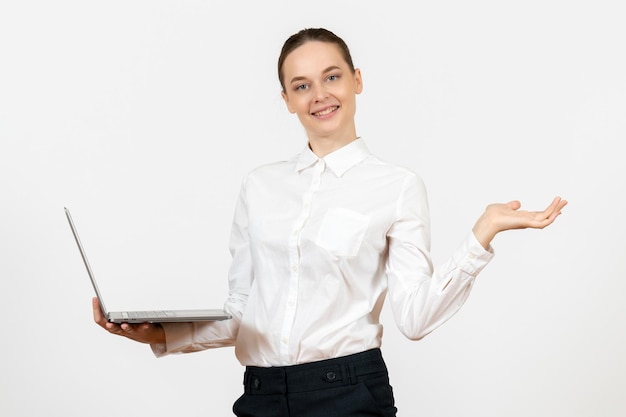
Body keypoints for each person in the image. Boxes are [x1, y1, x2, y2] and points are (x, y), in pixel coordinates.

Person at [92, 27, 567, 416]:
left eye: (332, 77)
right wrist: (158, 334)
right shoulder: (259, 187)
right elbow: (243, 313)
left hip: (348, 394)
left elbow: (415, 319)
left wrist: (480, 236)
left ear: (357, 80)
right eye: (302, 85)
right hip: (260, 396)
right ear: (286, 99)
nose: (319, 95)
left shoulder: (397, 186)